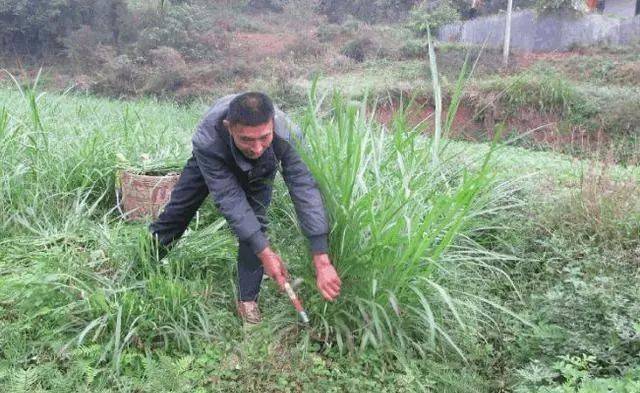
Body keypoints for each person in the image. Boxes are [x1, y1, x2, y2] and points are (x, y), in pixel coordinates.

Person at [149, 92, 341, 324]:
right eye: (247, 139)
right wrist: (266, 252)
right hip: (213, 161)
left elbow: (305, 188)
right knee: (177, 213)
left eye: (264, 137)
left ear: (272, 124)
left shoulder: (287, 134)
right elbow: (230, 199)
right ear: (229, 127)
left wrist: (321, 258)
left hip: (261, 170)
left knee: (256, 225)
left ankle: (247, 301)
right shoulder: (207, 138)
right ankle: (146, 261)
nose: (257, 147)